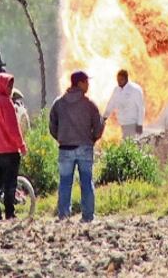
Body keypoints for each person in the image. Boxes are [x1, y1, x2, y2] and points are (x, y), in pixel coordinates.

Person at [49, 70, 105, 222]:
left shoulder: (58, 103)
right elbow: (98, 128)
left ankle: (63, 216)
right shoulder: (89, 105)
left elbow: (52, 127)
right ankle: (87, 217)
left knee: (65, 183)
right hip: (85, 148)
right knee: (86, 182)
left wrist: (61, 139)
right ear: (80, 83)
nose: (88, 85)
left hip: (65, 149)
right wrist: (92, 139)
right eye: (86, 82)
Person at [0, 71, 27, 222]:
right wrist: (21, 145)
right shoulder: (6, 102)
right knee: (10, 183)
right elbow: (13, 127)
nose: (10, 89)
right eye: (9, 85)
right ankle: (9, 213)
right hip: (9, 150)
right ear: (2, 85)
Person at [104, 69, 146, 138]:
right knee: (124, 145)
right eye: (118, 80)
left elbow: (141, 108)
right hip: (121, 124)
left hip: (132, 124)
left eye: (121, 80)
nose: (119, 82)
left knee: (128, 145)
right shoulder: (116, 90)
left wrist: (140, 124)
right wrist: (105, 117)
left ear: (126, 79)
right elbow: (111, 104)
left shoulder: (135, 90)